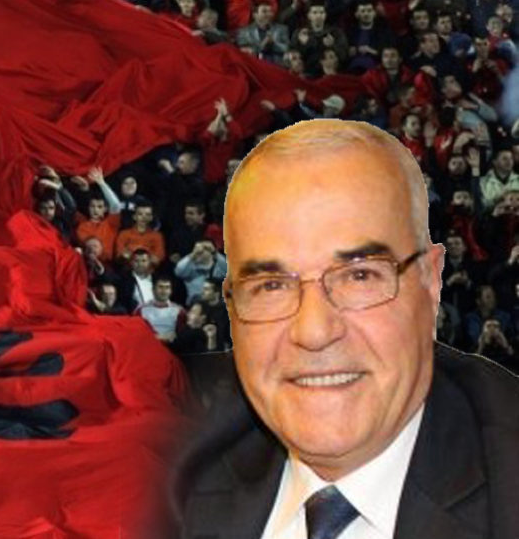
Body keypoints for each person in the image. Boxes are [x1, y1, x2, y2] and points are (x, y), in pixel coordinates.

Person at [174, 119, 519, 539]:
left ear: (430, 282)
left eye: (360, 276)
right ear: (231, 306)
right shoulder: (171, 477)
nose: (314, 332)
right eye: (271, 285)